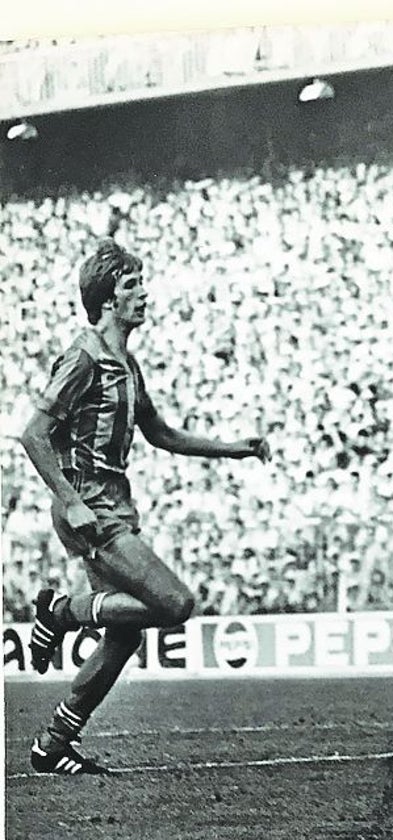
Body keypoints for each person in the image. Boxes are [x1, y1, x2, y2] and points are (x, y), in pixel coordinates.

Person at [21, 240, 271, 774]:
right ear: (107, 299)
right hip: (90, 508)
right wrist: (69, 502)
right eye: (132, 284)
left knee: (127, 632)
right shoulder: (84, 358)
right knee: (176, 604)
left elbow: (158, 433)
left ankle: (54, 742)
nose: (144, 292)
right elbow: (33, 434)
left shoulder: (125, 363)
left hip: (114, 506)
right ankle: (62, 612)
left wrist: (234, 448)